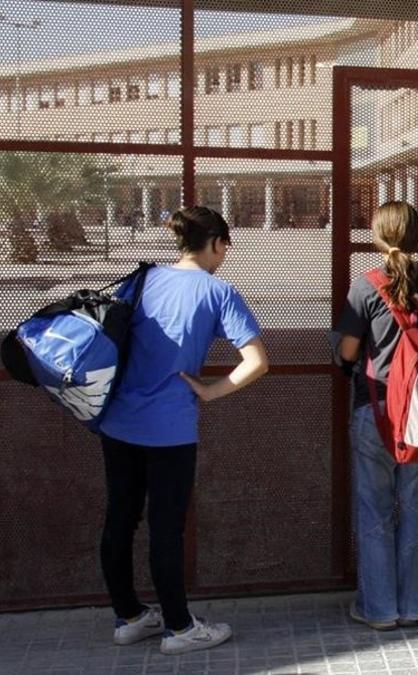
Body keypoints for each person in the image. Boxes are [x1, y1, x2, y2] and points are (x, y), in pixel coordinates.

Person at [97, 206, 268, 655]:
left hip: (117, 421)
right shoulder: (219, 291)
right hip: (170, 428)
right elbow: (256, 362)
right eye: (225, 247)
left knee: (120, 517)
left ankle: (129, 617)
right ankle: (178, 628)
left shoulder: (142, 279)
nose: (225, 256)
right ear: (215, 244)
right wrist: (210, 392)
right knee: (165, 528)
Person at [333, 201, 418, 630]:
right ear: (417, 234)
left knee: (374, 511)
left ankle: (379, 609)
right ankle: (415, 606)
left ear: (377, 235)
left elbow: (347, 351)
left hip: (375, 412)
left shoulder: (366, 286)